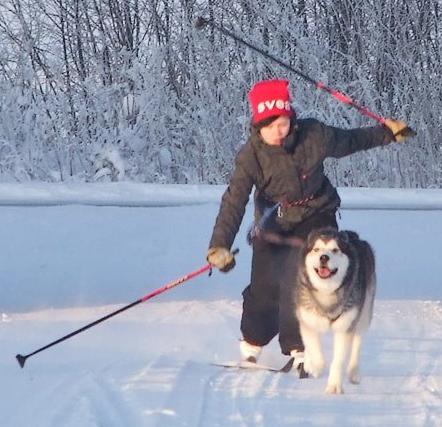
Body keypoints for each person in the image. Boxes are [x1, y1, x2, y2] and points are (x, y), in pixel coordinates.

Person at [206, 79, 411, 366]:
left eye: (283, 124)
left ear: (291, 118)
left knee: (297, 275)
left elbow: (351, 141)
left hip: (317, 213)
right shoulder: (250, 156)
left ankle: (298, 347)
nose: (278, 132)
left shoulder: (314, 135)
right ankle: (253, 338)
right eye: (269, 126)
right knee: (264, 283)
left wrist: (387, 133)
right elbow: (233, 200)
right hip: (273, 218)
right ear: (257, 127)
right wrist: (219, 245)